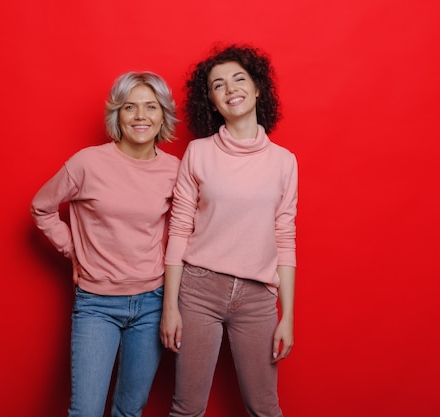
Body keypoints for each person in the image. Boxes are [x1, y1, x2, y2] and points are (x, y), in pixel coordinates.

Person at [31, 71, 180, 417]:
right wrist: (73, 250)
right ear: (117, 114)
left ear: (163, 116)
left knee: (130, 410)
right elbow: (42, 207)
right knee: (85, 412)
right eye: (130, 107)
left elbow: (183, 230)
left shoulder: (175, 169)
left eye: (151, 107)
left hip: (152, 303)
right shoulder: (87, 163)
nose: (141, 116)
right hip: (97, 304)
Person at [159, 44, 298, 417]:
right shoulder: (198, 152)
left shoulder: (284, 162)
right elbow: (179, 231)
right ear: (213, 102)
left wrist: (287, 315)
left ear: (257, 89)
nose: (230, 89)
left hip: (256, 298)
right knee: (187, 408)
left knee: (265, 408)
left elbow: (284, 237)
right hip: (199, 290)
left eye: (239, 79)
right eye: (218, 85)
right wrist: (170, 307)